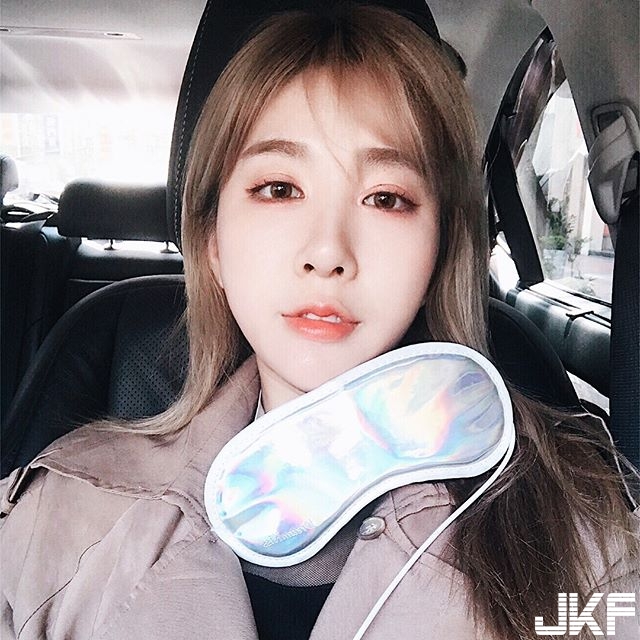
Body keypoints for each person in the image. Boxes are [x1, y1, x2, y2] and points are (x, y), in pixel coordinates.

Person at [1, 5, 638, 640]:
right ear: (212, 241)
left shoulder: (580, 532)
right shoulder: (56, 523)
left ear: (439, 248)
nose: (329, 251)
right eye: (279, 188)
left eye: (386, 198)